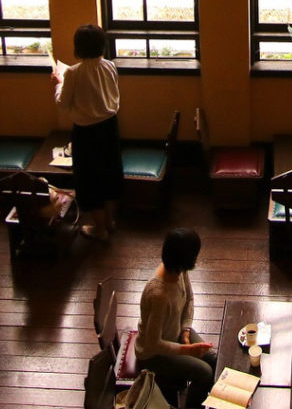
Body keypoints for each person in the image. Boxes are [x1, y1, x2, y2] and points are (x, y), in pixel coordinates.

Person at [51, 23, 122, 240]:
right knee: (109, 174)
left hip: (86, 133)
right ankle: (110, 221)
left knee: (90, 179)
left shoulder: (73, 72)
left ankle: (99, 229)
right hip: (110, 127)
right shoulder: (109, 66)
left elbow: (63, 103)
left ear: (78, 47)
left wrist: (57, 84)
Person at [135, 228, 217, 408]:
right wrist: (186, 350)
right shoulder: (159, 294)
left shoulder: (178, 271)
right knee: (205, 373)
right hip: (153, 355)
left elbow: (189, 299)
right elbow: (153, 344)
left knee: (214, 359)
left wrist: (185, 331)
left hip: (175, 334)